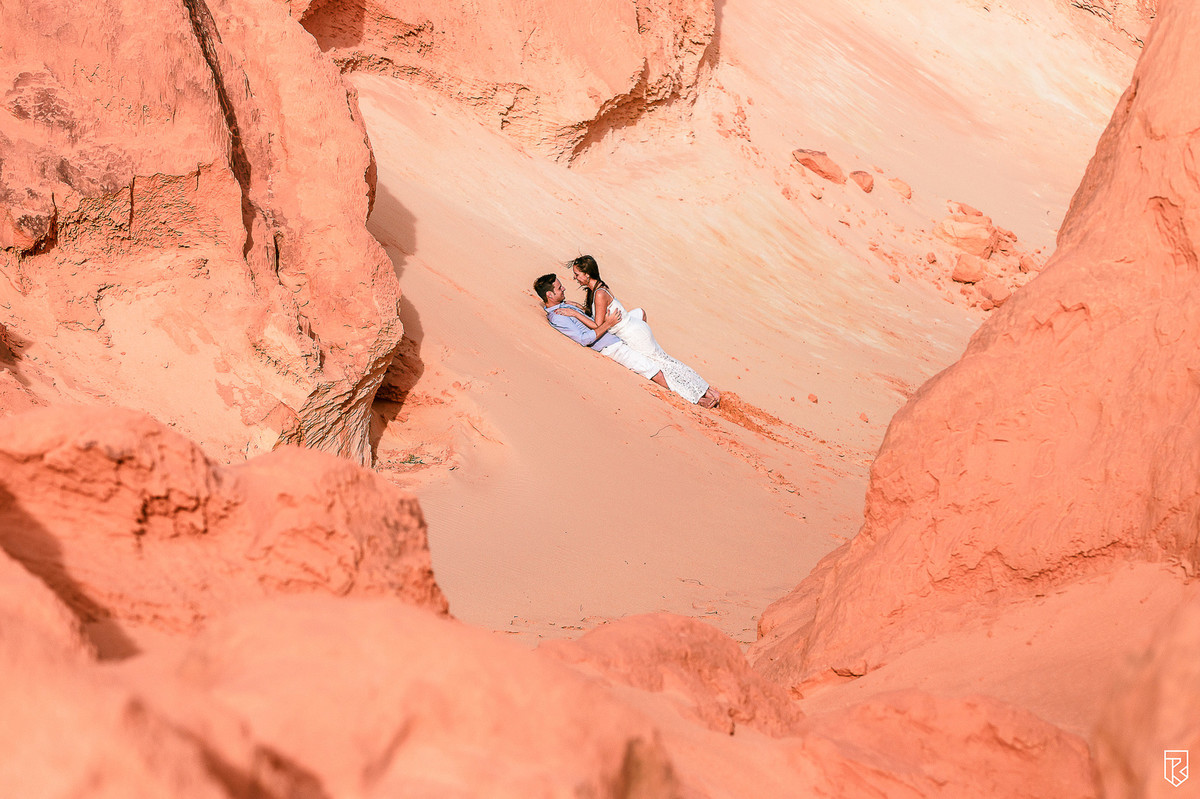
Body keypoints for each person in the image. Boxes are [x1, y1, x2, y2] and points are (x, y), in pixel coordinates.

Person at [553, 255, 720, 408]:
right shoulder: (597, 289)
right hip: (635, 329)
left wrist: (574, 313)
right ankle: (706, 390)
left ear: (587, 274)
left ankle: (700, 396)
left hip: (633, 335)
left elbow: (597, 325)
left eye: (577, 274)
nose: (575, 278)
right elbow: (600, 313)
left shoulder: (598, 294)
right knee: (665, 360)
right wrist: (580, 307)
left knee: (663, 364)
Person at [534, 273, 675, 392]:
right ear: (550, 295)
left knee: (639, 313)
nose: (564, 288)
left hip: (612, 332)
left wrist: (580, 308)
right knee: (653, 370)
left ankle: (646, 351)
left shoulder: (565, 305)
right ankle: (682, 394)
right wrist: (609, 323)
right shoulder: (558, 316)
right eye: (559, 288)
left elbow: (589, 320)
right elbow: (583, 339)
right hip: (611, 347)